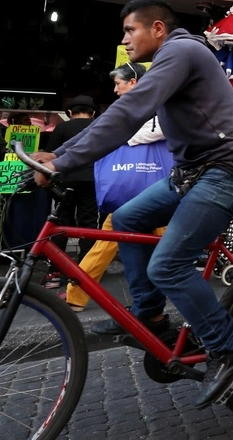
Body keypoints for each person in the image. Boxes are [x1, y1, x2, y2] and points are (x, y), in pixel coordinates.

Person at [33, 0, 233, 408]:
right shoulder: (169, 59)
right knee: (125, 218)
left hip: (228, 169)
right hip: (192, 173)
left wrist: (66, 160)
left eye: (130, 30)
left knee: (169, 264)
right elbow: (121, 115)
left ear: (158, 28)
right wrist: (61, 155)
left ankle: (229, 347)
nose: (124, 40)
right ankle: (151, 318)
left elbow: (131, 112)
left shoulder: (180, 50)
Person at [63, 62, 165, 313]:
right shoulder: (140, 106)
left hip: (137, 186)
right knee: (165, 243)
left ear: (133, 83)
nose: (116, 90)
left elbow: (161, 130)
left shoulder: (154, 105)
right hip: (154, 186)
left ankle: (77, 294)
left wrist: (122, 136)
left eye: (119, 84)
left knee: (109, 240)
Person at [42, 95, 99, 288]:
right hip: (92, 181)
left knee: (60, 224)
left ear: (69, 113)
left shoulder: (62, 128)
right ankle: (86, 270)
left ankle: (55, 273)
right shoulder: (98, 127)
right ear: (93, 114)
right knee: (89, 223)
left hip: (64, 182)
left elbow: (50, 153)